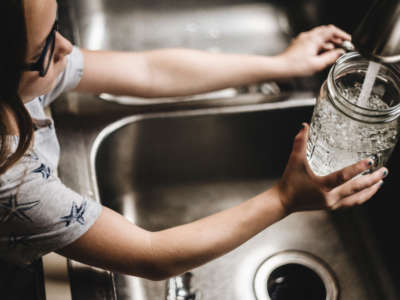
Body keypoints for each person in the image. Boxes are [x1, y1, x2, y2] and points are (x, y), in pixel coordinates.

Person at [0, 0, 387, 281]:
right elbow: (151, 256)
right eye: (45, 48)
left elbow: (147, 71)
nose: (66, 47)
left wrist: (281, 64)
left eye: (57, 27)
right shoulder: (15, 184)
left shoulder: (26, 73)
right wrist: (283, 199)